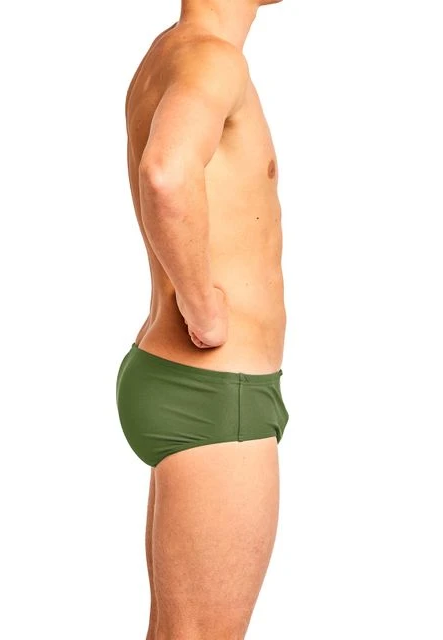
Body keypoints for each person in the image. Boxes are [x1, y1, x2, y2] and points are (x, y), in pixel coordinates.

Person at [116, 1, 289, 637]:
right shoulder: (213, 59)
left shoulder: (174, 51)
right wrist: (204, 308)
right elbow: (165, 174)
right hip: (216, 394)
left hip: (188, 382)